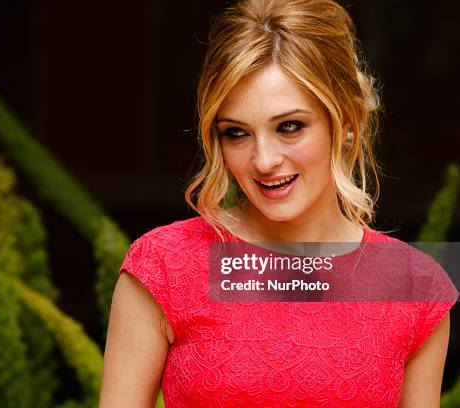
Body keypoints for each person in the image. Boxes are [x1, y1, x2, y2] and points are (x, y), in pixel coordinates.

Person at [99, 0, 458, 406]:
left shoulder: (415, 286)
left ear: (347, 123)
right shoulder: (162, 266)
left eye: (290, 127)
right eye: (236, 133)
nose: (264, 161)